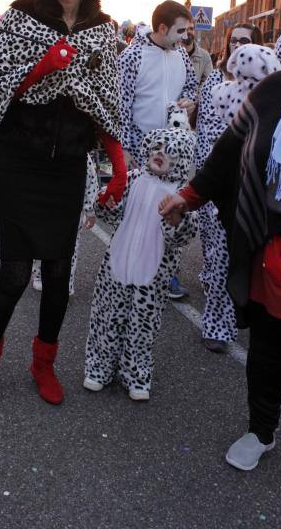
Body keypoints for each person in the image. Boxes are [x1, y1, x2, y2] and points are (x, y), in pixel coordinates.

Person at [160, 0, 281, 510]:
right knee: (267, 357)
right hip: (270, 257)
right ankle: (261, 431)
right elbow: (227, 154)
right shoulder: (272, 90)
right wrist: (188, 196)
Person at [0, 0, 122, 407]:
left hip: (67, 168)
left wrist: (118, 167)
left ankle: (44, 365)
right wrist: (41, 68)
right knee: (15, 273)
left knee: (57, 274)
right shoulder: (21, 16)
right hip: (18, 162)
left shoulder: (103, 30)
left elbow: (107, 105)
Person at [84, 127, 198, 400]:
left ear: (181, 158)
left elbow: (185, 236)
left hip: (153, 272)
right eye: (156, 148)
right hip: (118, 261)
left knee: (142, 326)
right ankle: (99, 368)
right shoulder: (134, 178)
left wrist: (177, 221)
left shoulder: (181, 194)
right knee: (107, 316)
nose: (160, 154)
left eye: (169, 152)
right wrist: (107, 204)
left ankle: (136, 375)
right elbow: (112, 214)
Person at [194, 23, 264, 352]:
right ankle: (216, 326)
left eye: (244, 41)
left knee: (238, 256)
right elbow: (206, 134)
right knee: (218, 253)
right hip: (219, 181)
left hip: (253, 186)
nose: (238, 46)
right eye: (233, 41)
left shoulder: (269, 87)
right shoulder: (214, 84)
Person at [118, 1, 197, 168]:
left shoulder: (182, 54)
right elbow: (120, 107)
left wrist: (188, 100)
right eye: (180, 30)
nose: (185, 37)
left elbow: (190, 85)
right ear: (162, 28)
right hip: (139, 150)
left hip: (173, 149)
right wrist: (123, 148)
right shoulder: (132, 56)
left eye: (187, 30)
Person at [32, 153, 99, 296]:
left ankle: (51, 279)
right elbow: (91, 182)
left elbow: (90, 181)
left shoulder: (78, 154)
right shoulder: (80, 153)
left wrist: (90, 210)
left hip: (57, 209)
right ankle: (54, 280)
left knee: (47, 243)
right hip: (63, 209)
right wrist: (90, 210)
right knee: (66, 246)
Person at [180, 20, 213, 89]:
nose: (188, 31)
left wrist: (196, 94)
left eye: (191, 29)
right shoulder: (172, 53)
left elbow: (208, 81)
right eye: (185, 29)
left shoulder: (205, 56)